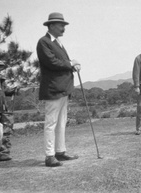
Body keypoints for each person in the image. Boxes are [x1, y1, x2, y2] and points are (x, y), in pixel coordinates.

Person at [37, 12, 81, 167]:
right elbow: (51, 62)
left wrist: (72, 65)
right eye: (61, 25)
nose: (64, 28)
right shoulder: (44, 42)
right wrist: (70, 63)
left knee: (61, 122)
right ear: (51, 25)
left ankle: (60, 152)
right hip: (53, 89)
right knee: (51, 122)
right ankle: (49, 156)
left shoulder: (58, 43)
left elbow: (61, 62)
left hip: (63, 88)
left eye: (64, 25)